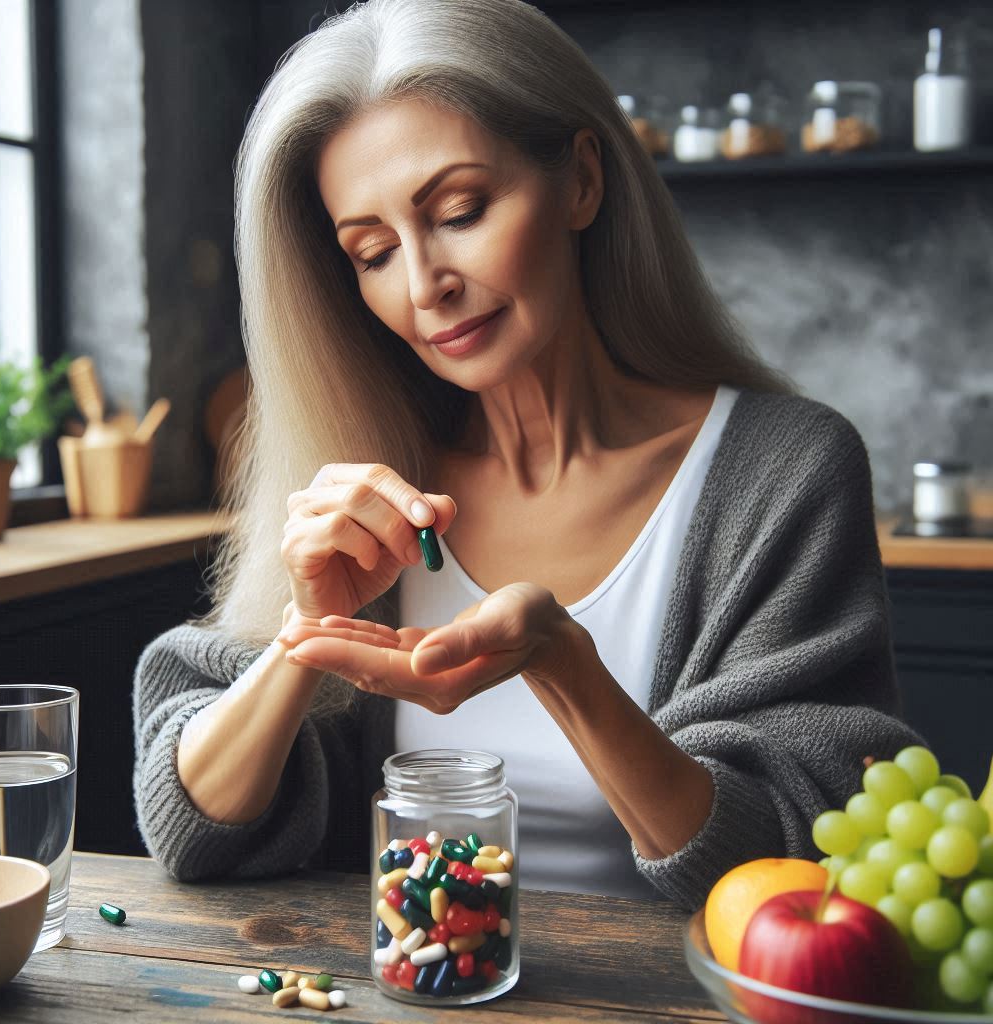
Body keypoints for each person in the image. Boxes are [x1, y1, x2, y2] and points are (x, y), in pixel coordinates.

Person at [132, 0, 923, 909]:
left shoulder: (783, 473)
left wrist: (563, 664)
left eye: (461, 211)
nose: (427, 285)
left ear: (582, 181)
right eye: (375, 251)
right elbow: (192, 837)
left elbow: (798, 861)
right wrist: (304, 638)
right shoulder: (365, 483)